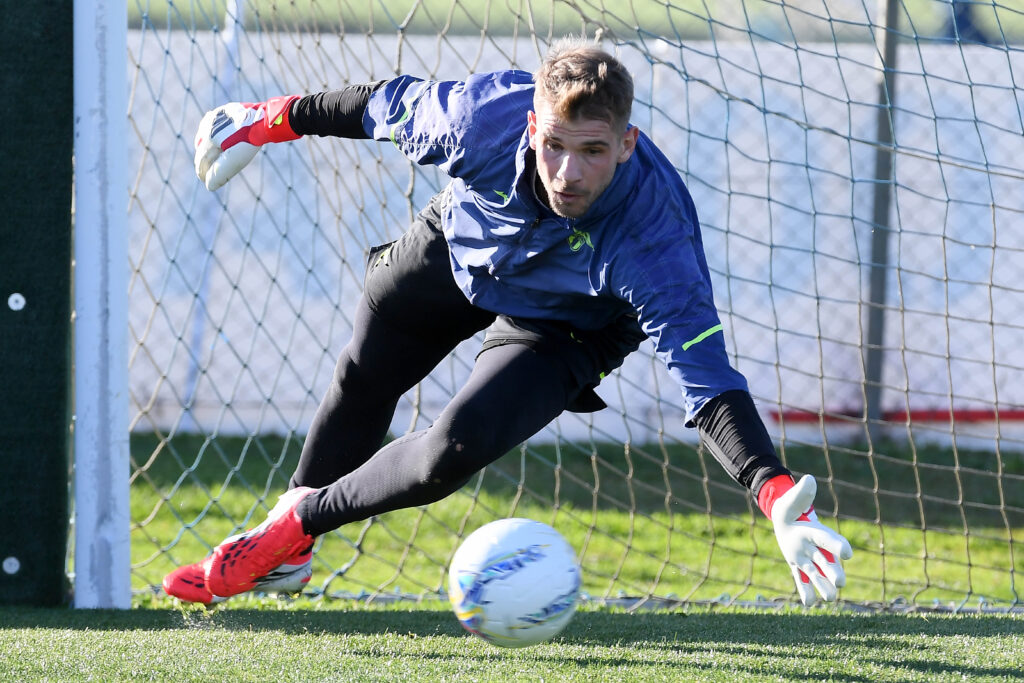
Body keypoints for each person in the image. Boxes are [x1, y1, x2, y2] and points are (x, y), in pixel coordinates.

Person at [163, 38, 852, 608]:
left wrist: (773, 490)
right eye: (555, 144)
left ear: (627, 144)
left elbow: (708, 385)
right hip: (466, 245)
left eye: (592, 151)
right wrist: (271, 118)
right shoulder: (476, 119)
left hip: (571, 321)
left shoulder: (655, 241)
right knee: (368, 360)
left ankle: (293, 523)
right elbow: (378, 105)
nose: (569, 173)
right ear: (531, 126)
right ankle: (292, 554)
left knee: (452, 449)